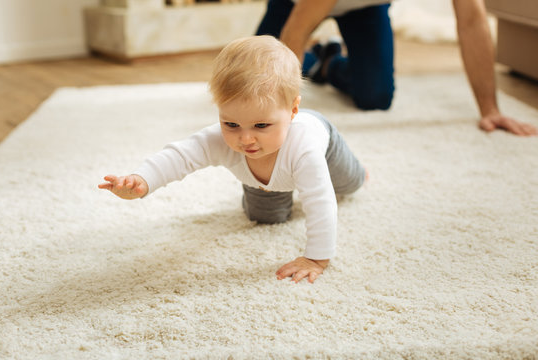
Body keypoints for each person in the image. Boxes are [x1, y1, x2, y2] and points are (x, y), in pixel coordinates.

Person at [98, 36, 366, 284]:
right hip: (262, 180)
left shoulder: (306, 149)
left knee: (349, 184)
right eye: (232, 123)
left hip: (324, 144)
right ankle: (268, 181)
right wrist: (142, 180)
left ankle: (359, 172)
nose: (245, 139)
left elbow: (321, 202)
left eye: (261, 125)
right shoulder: (220, 139)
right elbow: (180, 156)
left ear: (293, 110)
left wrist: (316, 258)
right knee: (265, 218)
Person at [256, 0, 537, 136]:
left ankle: (325, 63)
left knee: (375, 97)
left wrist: (490, 110)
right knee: (258, 73)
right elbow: (296, 30)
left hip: (363, 6)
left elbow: (472, 21)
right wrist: (284, 119)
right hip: (294, 7)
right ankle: (311, 61)